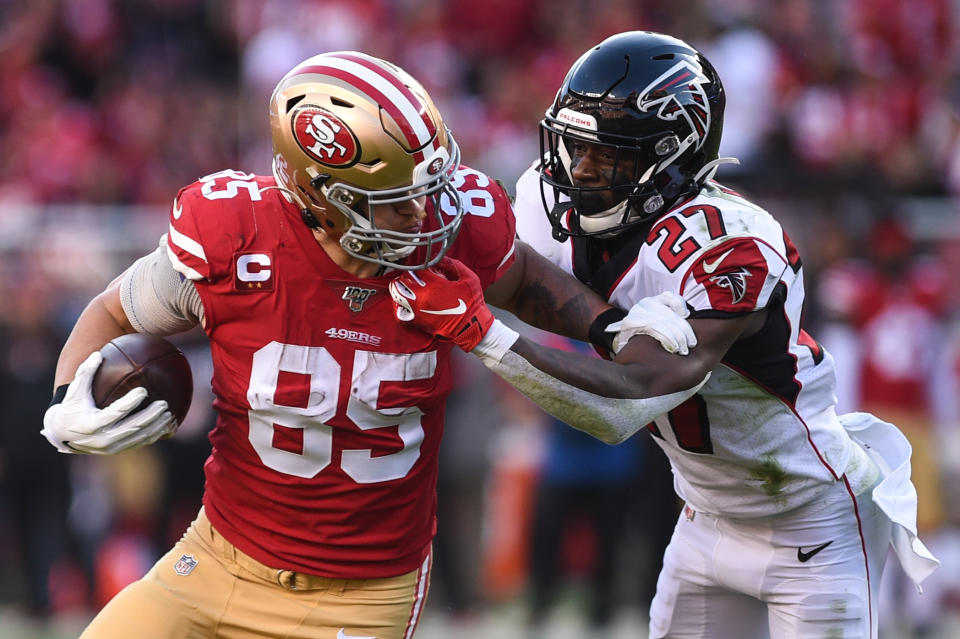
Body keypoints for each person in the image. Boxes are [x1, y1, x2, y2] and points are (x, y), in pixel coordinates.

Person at [40, 51, 699, 639]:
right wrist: (70, 395)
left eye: (431, 186)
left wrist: (605, 324)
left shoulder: (457, 227)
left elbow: (522, 277)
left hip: (359, 595)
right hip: (217, 557)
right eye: (396, 201)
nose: (427, 215)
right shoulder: (235, 236)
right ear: (318, 194)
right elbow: (112, 310)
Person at [387, 32, 942, 638]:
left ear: (673, 156)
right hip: (707, 516)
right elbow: (518, 277)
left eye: (609, 154)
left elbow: (635, 392)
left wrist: (484, 335)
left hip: (811, 520)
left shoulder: (732, 244)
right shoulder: (562, 205)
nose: (582, 168)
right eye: (577, 147)